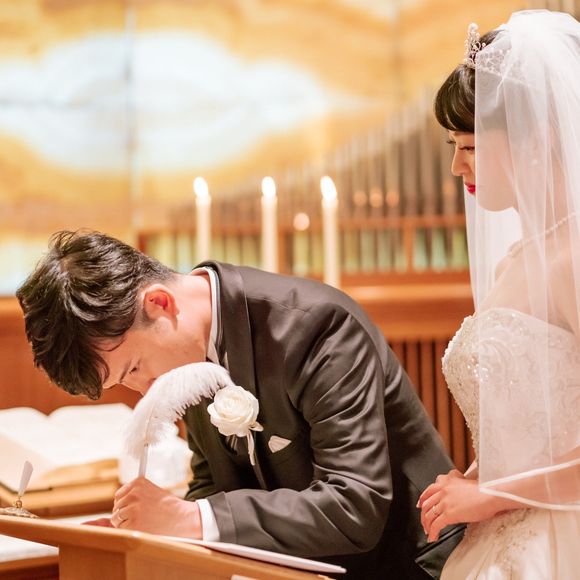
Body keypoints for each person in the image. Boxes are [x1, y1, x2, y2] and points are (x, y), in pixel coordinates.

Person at [17, 229, 463, 579]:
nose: (142, 388)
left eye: (133, 367)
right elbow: (213, 481)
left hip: (410, 565)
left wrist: (190, 519)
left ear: (158, 302)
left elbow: (355, 505)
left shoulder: (318, 328)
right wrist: (150, 534)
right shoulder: (184, 352)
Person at [418, 9, 580, 579]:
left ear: (536, 138)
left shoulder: (573, 259)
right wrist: (472, 479)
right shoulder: (519, 257)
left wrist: (493, 493)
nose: (456, 165)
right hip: (501, 537)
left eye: (470, 146)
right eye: (453, 145)